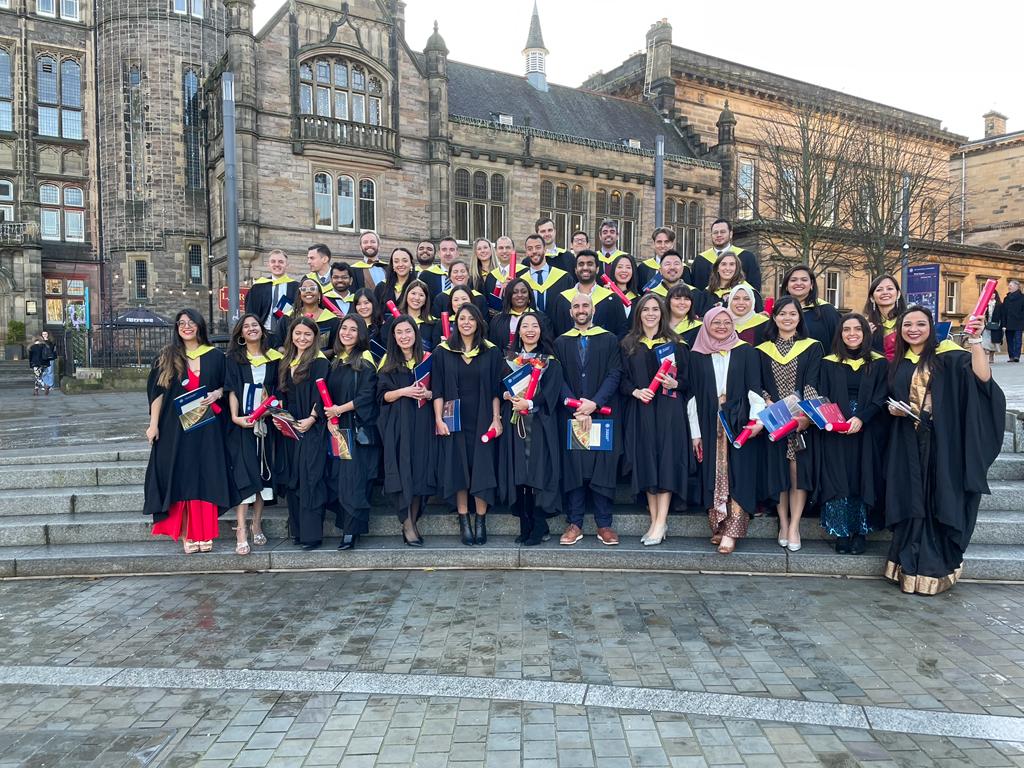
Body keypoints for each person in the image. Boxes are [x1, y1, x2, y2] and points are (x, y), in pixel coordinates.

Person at [884, 306, 1004, 595]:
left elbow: (982, 380)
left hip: (939, 443)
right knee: (911, 500)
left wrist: (975, 341)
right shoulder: (900, 361)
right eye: (907, 324)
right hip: (907, 443)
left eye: (920, 324)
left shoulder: (948, 356)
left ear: (931, 328)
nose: (913, 329)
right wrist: (895, 409)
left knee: (932, 501)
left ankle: (932, 568)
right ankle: (905, 564)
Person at [144, 309, 233, 554]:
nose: (186, 327)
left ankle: (204, 532)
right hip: (175, 427)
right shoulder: (168, 356)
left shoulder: (215, 356)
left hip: (206, 427)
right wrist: (153, 425)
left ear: (200, 326)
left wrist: (217, 393)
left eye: (191, 322)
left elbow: (226, 386)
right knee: (181, 476)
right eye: (182, 323)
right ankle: (186, 533)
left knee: (205, 475)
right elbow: (157, 392)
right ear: (176, 328)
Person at [686, 307, 766, 554]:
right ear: (707, 324)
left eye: (726, 322)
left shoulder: (746, 352)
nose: (721, 326)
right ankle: (718, 524)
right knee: (713, 472)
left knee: (738, 474)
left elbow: (755, 389)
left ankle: (733, 530)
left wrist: (755, 421)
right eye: (716, 322)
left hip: (739, 420)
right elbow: (692, 397)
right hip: (709, 421)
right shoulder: (697, 355)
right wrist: (695, 433)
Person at [619, 294, 690, 545]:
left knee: (666, 460)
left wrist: (675, 383)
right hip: (642, 409)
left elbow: (689, 381)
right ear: (638, 314)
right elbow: (622, 379)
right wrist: (635, 391)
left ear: (662, 313)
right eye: (645, 309)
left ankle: (661, 522)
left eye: (655, 309)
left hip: (669, 410)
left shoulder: (676, 343)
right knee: (647, 461)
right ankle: (655, 520)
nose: (650, 313)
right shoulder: (628, 344)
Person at [432, 304, 504, 546]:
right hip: (455, 418)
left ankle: (480, 520)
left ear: (478, 322)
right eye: (462, 318)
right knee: (458, 467)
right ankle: (464, 519)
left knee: (481, 467)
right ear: (455, 322)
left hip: (483, 416)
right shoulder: (443, 352)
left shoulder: (491, 351)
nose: (466, 322)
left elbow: (496, 389)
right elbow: (438, 389)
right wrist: (438, 419)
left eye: (471, 318)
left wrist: (496, 419)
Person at [817, 314, 889, 554]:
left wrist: (861, 418)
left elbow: (881, 396)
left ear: (866, 333)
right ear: (839, 334)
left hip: (867, 428)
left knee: (863, 474)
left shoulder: (878, 363)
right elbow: (822, 395)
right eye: (846, 329)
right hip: (836, 429)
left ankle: (861, 532)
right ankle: (841, 531)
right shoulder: (828, 362)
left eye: (857, 329)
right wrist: (836, 420)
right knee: (839, 477)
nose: (852, 333)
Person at [554, 292, 622, 546]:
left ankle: (604, 524)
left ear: (593, 310)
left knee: (602, 466)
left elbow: (615, 373)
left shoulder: (609, 339)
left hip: (601, 414)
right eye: (576, 306)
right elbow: (557, 378)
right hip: (573, 415)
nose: (581, 309)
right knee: (574, 468)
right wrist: (576, 405)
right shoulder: (561, 342)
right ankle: (575, 523)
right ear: (570, 312)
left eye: (585, 305)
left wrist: (595, 403)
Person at [757, 296, 823, 553]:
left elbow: (813, 382)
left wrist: (802, 413)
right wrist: (770, 402)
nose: (787, 318)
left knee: (797, 473)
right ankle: (782, 522)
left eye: (792, 314)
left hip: (799, 420)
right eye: (782, 314)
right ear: (774, 318)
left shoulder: (812, 347)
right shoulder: (762, 350)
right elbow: (759, 383)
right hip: (774, 417)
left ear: (799, 317)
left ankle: (795, 525)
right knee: (779, 472)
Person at [498, 311, 563, 546]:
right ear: (519, 332)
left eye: (534, 326)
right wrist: (506, 393)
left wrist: (531, 403)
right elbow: (499, 387)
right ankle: (524, 524)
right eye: (525, 326)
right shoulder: (509, 360)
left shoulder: (550, 361)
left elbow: (552, 392)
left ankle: (538, 524)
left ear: (541, 330)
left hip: (540, 425)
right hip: (516, 424)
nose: (530, 330)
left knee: (536, 472)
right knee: (520, 473)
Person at [377, 315, 437, 547]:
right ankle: (407, 523)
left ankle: (413, 519)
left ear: (415, 334)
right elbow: (382, 396)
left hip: (423, 422)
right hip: (398, 424)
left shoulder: (428, 360)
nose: (404, 336)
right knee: (403, 471)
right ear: (394, 336)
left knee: (420, 470)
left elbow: (438, 391)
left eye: (408, 331)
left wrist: (428, 394)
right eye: (399, 332)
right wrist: (404, 391)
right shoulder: (388, 362)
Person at [225, 313, 282, 555]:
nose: (251, 329)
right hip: (243, 424)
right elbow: (232, 390)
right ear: (240, 333)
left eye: (255, 325)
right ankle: (240, 528)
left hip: (265, 424)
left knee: (263, 475)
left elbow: (278, 391)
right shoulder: (234, 359)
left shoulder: (273, 359)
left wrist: (270, 412)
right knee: (244, 474)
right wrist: (236, 417)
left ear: (262, 330)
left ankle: (256, 523)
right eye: (246, 326)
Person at [325, 315, 379, 551]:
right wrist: (330, 418)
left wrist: (339, 409)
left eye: (353, 329)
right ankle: (346, 526)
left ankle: (351, 531)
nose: (347, 332)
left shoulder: (365, 360)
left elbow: (367, 396)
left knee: (354, 479)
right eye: (344, 328)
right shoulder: (335, 361)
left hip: (357, 427)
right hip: (338, 428)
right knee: (341, 477)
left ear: (361, 335)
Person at [275, 317, 330, 550]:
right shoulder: (287, 360)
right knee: (294, 480)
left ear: (315, 337)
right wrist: (280, 417)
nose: (302, 338)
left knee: (310, 479)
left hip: (311, 426)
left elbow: (324, 393)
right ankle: (298, 532)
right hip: (290, 427)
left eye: (307, 334)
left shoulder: (319, 361)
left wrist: (313, 418)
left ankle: (311, 535)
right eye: (298, 334)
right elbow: (283, 394)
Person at [549, 250, 625, 337]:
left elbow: (621, 331)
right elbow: (555, 332)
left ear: (597, 269)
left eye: (590, 264)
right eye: (581, 264)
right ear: (575, 270)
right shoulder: (562, 299)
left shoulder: (612, 299)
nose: (585, 267)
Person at [692, 219, 761, 293]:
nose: (719, 235)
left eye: (723, 232)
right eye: (715, 232)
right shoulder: (700, 260)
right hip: (707, 303)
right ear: (711, 235)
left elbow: (754, 286)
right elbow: (696, 289)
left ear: (730, 234)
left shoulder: (747, 257)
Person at [781, 264, 840, 348]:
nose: (799, 283)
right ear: (786, 286)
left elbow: (838, 342)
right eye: (793, 280)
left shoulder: (827, 310)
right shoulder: (778, 312)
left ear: (811, 285)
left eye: (804, 280)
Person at [488, 277, 551, 353]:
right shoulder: (497, 320)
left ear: (529, 295)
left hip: (535, 362)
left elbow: (547, 345)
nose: (520, 295)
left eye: (524, 292)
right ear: (509, 296)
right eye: (515, 292)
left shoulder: (542, 318)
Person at [280, 277, 339, 356]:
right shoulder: (288, 318)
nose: (308, 291)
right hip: (292, 364)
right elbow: (278, 346)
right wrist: (297, 355)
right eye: (303, 289)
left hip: (322, 365)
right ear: (299, 295)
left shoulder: (332, 320)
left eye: (312, 288)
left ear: (319, 294)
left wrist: (314, 356)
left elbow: (335, 349)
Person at [247, 249, 299, 336]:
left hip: (288, 334)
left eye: (281, 262)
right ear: (268, 265)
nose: (277, 264)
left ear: (287, 265)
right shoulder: (258, 287)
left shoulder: (295, 287)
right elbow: (250, 312)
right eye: (273, 261)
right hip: (263, 334)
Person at [522, 233, 573, 317]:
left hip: (558, 329)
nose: (534, 251)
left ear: (545, 249)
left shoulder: (564, 278)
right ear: (526, 252)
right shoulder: (521, 281)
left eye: (538, 247)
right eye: (530, 249)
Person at [384, 278, 440, 352]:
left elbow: (435, 350)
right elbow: (385, 343)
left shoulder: (434, 323)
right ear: (406, 295)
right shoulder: (393, 320)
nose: (416, 298)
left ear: (426, 300)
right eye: (413, 293)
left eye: (421, 295)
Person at [650, 251, 709, 316]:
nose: (672, 267)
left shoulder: (695, 294)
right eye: (667, 264)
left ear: (682, 269)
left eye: (676, 264)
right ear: (660, 271)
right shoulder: (652, 295)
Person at [863, 274, 906, 360]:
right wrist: (865, 337)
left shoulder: (908, 322)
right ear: (872, 298)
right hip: (877, 371)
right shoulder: (866, 325)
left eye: (890, 288)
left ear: (898, 294)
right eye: (879, 290)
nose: (885, 292)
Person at [607, 253, 639, 332]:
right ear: (614, 270)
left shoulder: (639, 300)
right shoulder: (605, 297)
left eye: (628, 267)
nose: (624, 270)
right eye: (620, 267)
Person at [981, 291, 1003, 365]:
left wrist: (1003, 325)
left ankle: (991, 357)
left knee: (993, 342)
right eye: (990, 294)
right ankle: (985, 355)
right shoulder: (985, 304)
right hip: (986, 325)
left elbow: (1002, 316)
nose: (992, 295)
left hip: (996, 325)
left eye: (993, 294)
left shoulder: (999, 304)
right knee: (985, 340)